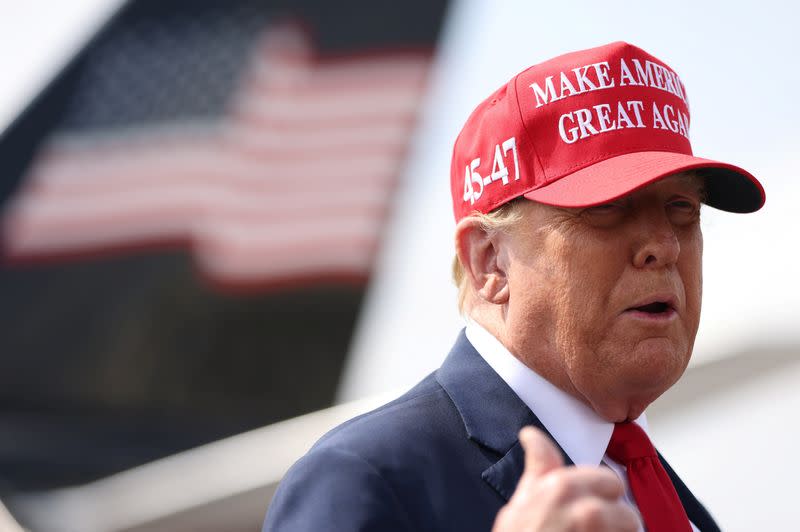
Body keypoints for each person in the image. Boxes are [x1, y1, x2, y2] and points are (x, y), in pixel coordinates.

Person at [263, 41, 764, 531]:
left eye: (683, 209)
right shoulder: (363, 478)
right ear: (489, 262)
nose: (665, 246)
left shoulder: (678, 507)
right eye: (607, 207)